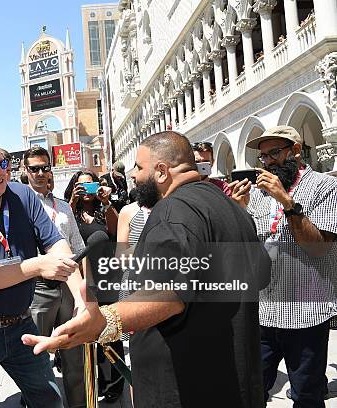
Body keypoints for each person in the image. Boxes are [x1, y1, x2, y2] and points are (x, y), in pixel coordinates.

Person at [24, 131, 272, 408]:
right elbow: (261, 273)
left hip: (185, 386)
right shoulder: (232, 207)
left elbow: (170, 293)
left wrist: (104, 322)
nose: (133, 175)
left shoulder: (172, 213)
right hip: (233, 382)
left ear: (162, 171)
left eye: (140, 168)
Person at [0, 137, 85, 408]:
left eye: (4, 164)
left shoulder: (22, 194)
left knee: (48, 399)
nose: (3, 173)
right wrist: (37, 265)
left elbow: (55, 242)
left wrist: (80, 299)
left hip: (21, 323)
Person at [231, 125, 337, 408]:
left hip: (306, 313)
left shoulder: (325, 187)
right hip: (263, 312)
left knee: (307, 396)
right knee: (248, 391)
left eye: (274, 153)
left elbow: (318, 247)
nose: (267, 162)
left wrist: (287, 202)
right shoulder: (258, 194)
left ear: (296, 151)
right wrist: (240, 212)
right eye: (263, 157)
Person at [23, 146, 86, 408]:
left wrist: (84, 295)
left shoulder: (63, 207)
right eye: (34, 168)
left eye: (44, 167)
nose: (40, 173)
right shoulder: (18, 207)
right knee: (36, 359)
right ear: (25, 171)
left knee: (74, 356)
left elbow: (78, 248)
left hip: (68, 289)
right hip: (38, 289)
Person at [64, 170, 123, 401]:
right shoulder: (70, 211)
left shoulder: (103, 210)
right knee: (87, 332)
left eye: (90, 185)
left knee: (111, 330)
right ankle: (91, 381)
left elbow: (117, 231)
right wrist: (72, 202)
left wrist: (107, 202)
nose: (86, 190)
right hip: (80, 280)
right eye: (81, 186)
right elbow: (60, 233)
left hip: (107, 278)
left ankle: (115, 383)